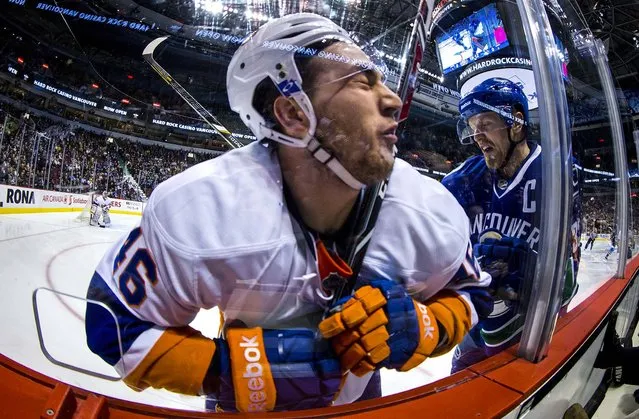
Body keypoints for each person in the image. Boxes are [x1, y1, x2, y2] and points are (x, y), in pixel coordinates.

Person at [84, 13, 491, 413]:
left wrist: (424, 325)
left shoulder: (427, 208)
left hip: (357, 403)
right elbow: (112, 322)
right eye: (361, 83)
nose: (394, 101)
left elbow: (472, 293)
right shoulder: (202, 207)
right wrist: (227, 371)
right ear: (294, 114)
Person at [442, 78, 579, 372]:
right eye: (472, 126)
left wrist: (535, 276)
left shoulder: (556, 175)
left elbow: (569, 271)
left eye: (486, 123)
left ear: (516, 122)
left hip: (533, 329)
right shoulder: (463, 179)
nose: (477, 135)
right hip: (478, 326)